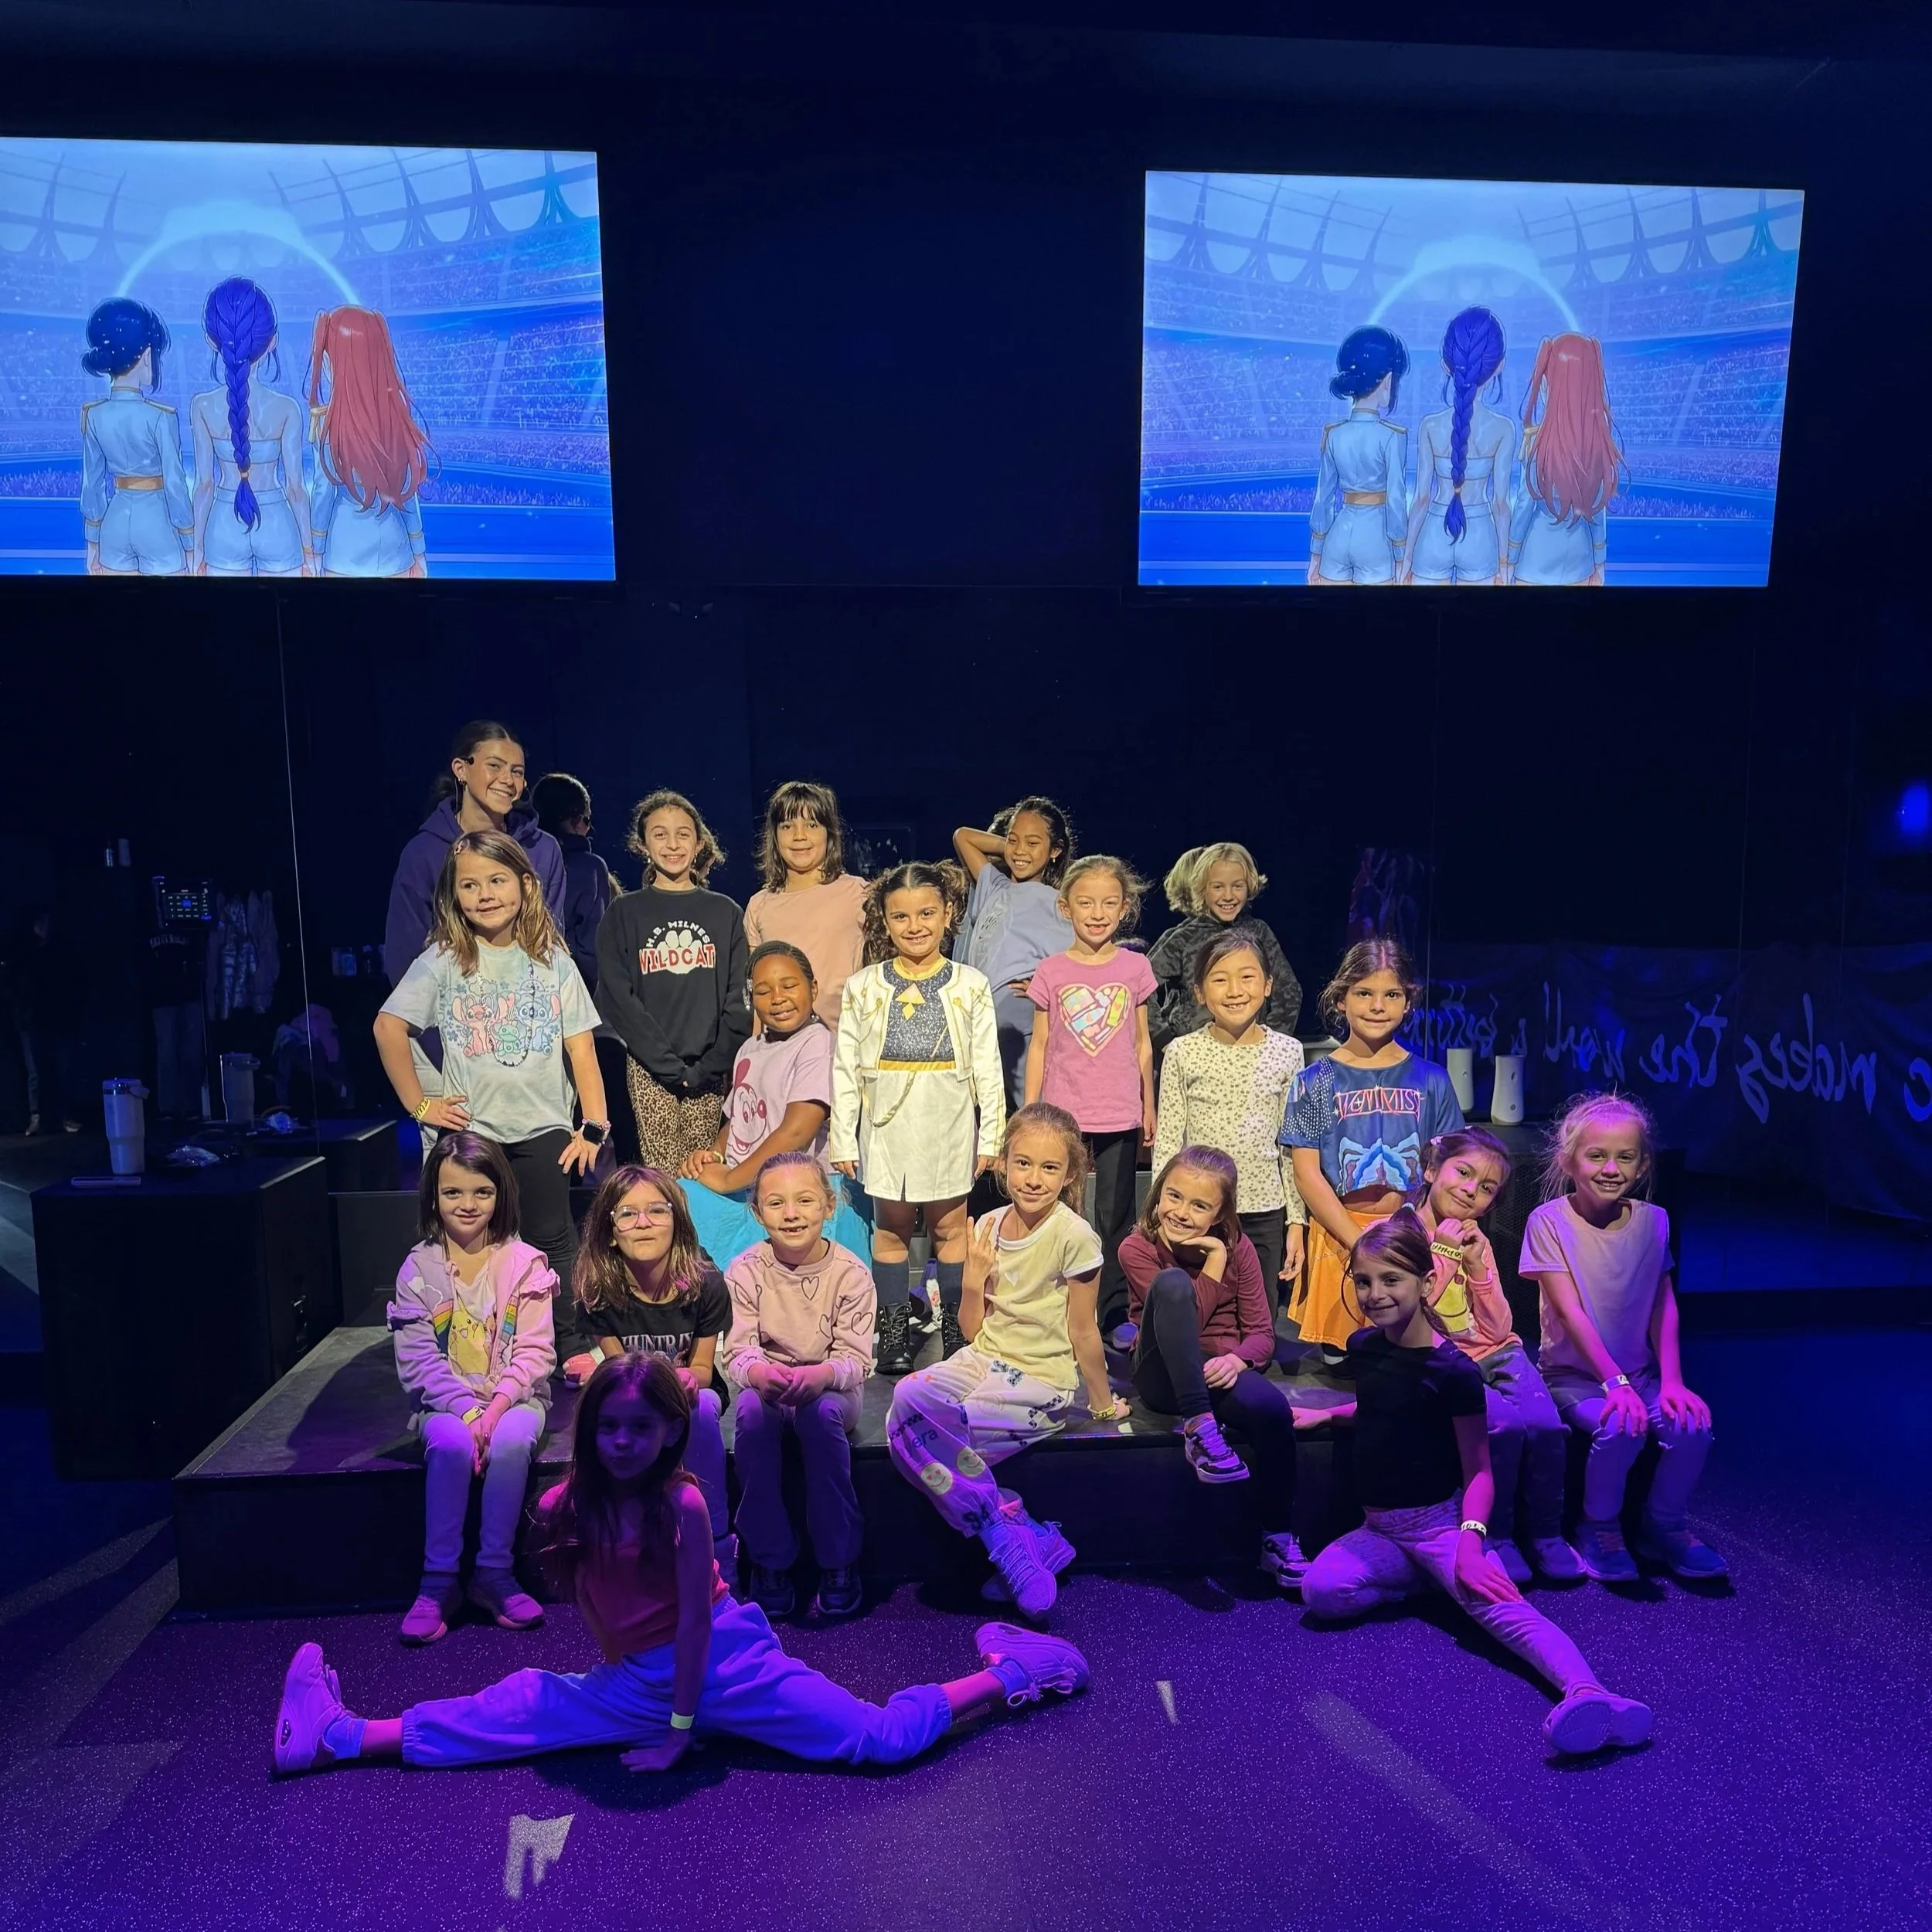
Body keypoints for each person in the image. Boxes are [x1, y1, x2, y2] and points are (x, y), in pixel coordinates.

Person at [272, 1354, 1091, 1777]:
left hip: (725, 1663)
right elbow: (595, 1606)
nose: (622, 1441)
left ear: (669, 1432)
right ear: (590, 1431)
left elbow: (699, 1621)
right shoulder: (566, 1508)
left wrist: (676, 1729)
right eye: (608, 1427)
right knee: (516, 1710)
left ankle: (1010, 1672)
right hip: (642, 1681)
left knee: (873, 1740)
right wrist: (638, 1694)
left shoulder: (684, 1505)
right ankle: (335, 1736)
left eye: (640, 1427)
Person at [1301, 1213, 1654, 1757]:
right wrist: (1329, 1417)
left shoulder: (1454, 1373)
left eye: (1391, 1280)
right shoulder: (1365, 1346)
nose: (1375, 1294)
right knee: (1322, 1592)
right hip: (1380, 1527)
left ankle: (1591, 1692)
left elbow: (1481, 1470)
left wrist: (1468, 1543)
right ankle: (1430, 1585)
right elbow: (1382, 1409)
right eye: (1364, 1280)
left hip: (1438, 1526)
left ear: (1425, 1282)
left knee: (1505, 1611)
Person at [886, 1104, 1121, 1617]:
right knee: (903, 1406)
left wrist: (1102, 1405)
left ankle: (1009, 1537)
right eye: (1023, 1164)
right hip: (985, 1358)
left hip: (1041, 1380)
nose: (1034, 1180)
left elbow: (1084, 1329)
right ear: (1003, 1163)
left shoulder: (1074, 1236)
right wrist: (972, 1282)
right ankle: (1011, 1524)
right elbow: (972, 1330)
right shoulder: (988, 1225)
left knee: (946, 1429)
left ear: (1071, 1175)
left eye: (1050, 1168)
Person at [374, 830, 608, 1301]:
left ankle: (565, 1346)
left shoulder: (553, 962)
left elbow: (581, 1049)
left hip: (544, 1127)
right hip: (473, 1128)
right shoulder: (442, 960)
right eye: (469, 886)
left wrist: (595, 1126)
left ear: (525, 884)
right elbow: (387, 1028)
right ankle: (473, 1343)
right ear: (454, 896)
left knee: (551, 1237)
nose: (485, 896)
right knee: (469, 1243)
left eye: (497, 881)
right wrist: (421, 1106)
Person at [1519, 1093, 1726, 1583]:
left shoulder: (1655, 1221)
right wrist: (1614, 1384)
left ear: (1643, 1163)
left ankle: (1664, 1525)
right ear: (1569, 1160)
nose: (1611, 1168)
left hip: (1641, 1375)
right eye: (1596, 1156)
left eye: (1625, 1157)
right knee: (1622, 1426)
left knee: (1693, 1427)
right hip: (1576, 1378)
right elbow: (1570, 1313)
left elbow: (1663, 1301)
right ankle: (1599, 1526)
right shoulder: (1547, 1222)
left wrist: (1672, 1381)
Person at [832, 861, 1004, 1373]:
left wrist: (990, 1132)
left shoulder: (970, 984)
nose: (916, 926)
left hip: (948, 1120)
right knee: (892, 1231)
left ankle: (955, 1327)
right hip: (887, 1124)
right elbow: (845, 1067)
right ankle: (894, 1332)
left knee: (950, 1229)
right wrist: (844, 1137)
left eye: (927, 913)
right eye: (901, 916)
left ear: (948, 913)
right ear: (885, 921)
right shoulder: (864, 986)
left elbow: (988, 1067)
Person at [1119, 1146, 1314, 1589]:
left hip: (1216, 1371)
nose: (1181, 1213)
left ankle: (1277, 1538)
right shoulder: (1137, 1248)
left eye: (1200, 1205)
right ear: (1158, 1193)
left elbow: (1262, 1334)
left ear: (1221, 1213)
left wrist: (1239, 1358)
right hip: (1162, 1373)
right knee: (1171, 1285)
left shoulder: (1239, 1247)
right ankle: (1199, 1428)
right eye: (1173, 1196)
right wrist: (1215, 1262)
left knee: (1270, 1410)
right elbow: (1187, 1316)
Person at [389, 1133, 555, 1644]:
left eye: (481, 1192)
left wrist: (497, 1407)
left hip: (515, 1399)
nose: (467, 1205)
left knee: (510, 1441)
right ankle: (438, 1582)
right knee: (450, 1442)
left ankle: (493, 1573)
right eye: (452, 1193)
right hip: (446, 1405)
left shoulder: (526, 1262)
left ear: (501, 1193)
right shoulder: (418, 1269)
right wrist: (466, 1413)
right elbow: (417, 1363)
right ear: (433, 1198)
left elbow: (535, 1353)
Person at [1408, 1128, 1583, 1585]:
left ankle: (1546, 1534)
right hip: (1441, 1356)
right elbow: (1412, 1316)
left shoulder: (1478, 1240)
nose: (1471, 1191)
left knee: (1545, 1425)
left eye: (1486, 1188)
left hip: (1496, 1351)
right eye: (1463, 1173)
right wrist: (1444, 1254)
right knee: (1502, 1428)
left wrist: (1480, 1267)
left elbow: (1501, 1328)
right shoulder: (1397, 1234)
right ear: (1431, 1170)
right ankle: (1496, 1535)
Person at [1278, 939, 1463, 1361]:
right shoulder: (1316, 1079)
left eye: (1391, 995)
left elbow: (1453, 1166)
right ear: (1341, 1000)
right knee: (1348, 1368)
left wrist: (1418, 1233)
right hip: (1341, 1241)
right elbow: (1306, 1172)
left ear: (1407, 1002)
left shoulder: (1431, 1079)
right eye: (1364, 993)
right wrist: (1358, 1242)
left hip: (1410, 1235)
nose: (1377, 1005)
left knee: (1408, 1363)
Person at [564, 1164, 736, 1584]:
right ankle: (621, 1544)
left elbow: (701, 1368)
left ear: (677, 1220)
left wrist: (686, 1379)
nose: (643, 1224)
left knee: (702, 1408)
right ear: (609, 1227)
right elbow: (618, 1368)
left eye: (657, 1211)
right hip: (632, 1390)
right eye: (628, 1213)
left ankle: (717, 1545)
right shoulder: (596, 1287)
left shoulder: (706, 1282)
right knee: (613, 1416)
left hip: (688, 1392)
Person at [722, 1151, 875, 1619]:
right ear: (758, 1212)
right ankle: (769, 1558)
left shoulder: (850, 1274)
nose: (791, 1214)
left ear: (829, 1206)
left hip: (829, 1390)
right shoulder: (745, 1270)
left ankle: (838, 1558)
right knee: (749, 1413)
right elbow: (737, 1350)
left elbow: (856, 1359)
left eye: (805, 1200)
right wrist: (761, 1373)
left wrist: (821, 1376)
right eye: (776, 1203)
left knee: (820, 1413)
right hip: (770, 1389)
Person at [1024, 855, 1156, 1345]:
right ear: (1066, 908)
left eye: (1108, 903)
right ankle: (1057, 1304)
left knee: (1116, 1214)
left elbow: (1142, 1042)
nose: (1097, 913)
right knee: (1064, 1210)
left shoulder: (1135, 966)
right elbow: (1040, 1043)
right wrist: (1031, 1108)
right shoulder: (1052, 970)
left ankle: (1113, 1310)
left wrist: (1150, 1103)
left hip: (1119, 1108)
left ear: (1125, 908)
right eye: (1085, 902)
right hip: (1064, 1113)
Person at [678, 941, 870, 1267]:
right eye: (763, 991)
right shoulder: (750, 1048)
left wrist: (728, 1180)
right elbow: (738, 1118)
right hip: (748, 1182)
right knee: (679, 1194)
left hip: (797, 1185)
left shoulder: (818, 1043)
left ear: (813, 988)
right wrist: (714, 1156)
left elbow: (797, 1132)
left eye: (789, 986)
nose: (777, 998)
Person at [1152, 927, 1308, 1310]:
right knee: (1199, 1313)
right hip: (1198, 1208)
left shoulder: (1288, 1052)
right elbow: (1169, 1140)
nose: (1235, 990)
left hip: (1264, 1208)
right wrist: (1160, 1209)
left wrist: (1296, 1221)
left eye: (1247, 977)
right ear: (1200, 992)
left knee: (1260, 1318)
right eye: (1220, 980)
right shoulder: (1183, 1052)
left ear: (1268, 985)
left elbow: (1292, 1145)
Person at [596, 789, 750, 1172]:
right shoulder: (624, 912)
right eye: (660, 834)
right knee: (664, 1176)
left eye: (683, 834)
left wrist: (711, 1064)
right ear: (643, 843)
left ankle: (699, 1236)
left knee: (702, 1172)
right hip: (651, 1068)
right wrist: (666, 1066)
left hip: (711, 1068)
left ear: (699, 843)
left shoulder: (724, 912)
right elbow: (618, 998)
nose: (673, 844)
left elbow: (739, 996)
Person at [383, 720, 568, 990]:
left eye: (516, 771)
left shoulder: (542, 849)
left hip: (527, 1016)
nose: (507, 779)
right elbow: (404, 959)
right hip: (449, 1019)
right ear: (461, 769)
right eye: (495, 766)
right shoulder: (424, 853)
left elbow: (549, 940)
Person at [953, 797, 1076, 1106]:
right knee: (983, 1113)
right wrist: (1013, 846)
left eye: (1033, 843)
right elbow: (963, 836)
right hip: (979, 1016)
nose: (1020, 851)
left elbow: (1075, 959)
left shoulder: (1059, 901)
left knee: (1030, 1109)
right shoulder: (994, 886)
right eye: (1013, 840)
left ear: (1056, 850)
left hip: (1018, 1014)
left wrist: (1045, 985)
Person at [189, 277, 314, 577]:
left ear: (211, 340)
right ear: (273, 341)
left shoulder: (202, 406)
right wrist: (309, 553)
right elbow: (296, 489)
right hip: (278, 524)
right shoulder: (287, 409)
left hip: (222, 522)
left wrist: (197, 550)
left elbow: (204, 485)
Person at [305, 304, 434, 577]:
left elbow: (322, 496)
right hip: (395, 551)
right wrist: (419, 551)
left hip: (344, 555)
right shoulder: (395, 421)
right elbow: (408, 496)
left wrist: (314, 551)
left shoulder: (329, 427)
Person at [1147, 843, 1301, 1052]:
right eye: (1218, 887)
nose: (1228, 896)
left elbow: (1288, 990)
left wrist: (1271, 1045)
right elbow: (1140, 985)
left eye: (1237, 886)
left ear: (1249, 886)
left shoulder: (1259, 932)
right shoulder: (1184, 938)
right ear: (1202, 888)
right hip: (1196, 1057)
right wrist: (1163, 1039)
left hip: (1251, 1054)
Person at [77, 297, 192, 576]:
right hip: (158, 525)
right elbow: (175, 486)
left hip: (114, 525)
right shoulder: (161, 417)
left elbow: (92, 487)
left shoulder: (94, 415)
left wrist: (92, 543)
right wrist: (190, 542)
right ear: (147, 355)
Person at [743, 781, 869, 1028]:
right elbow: (758, 990)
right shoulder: (760, 905)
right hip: (780, 1049)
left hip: (844, 1046)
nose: (799, 836)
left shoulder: (858, 893)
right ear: (774, 836)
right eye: (788, 826)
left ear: (829, 833)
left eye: (811, 825)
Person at [1403, 306, 1511, 586]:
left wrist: (1405, 561)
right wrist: (1503, 564)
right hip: (1481, 538)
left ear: (1445, 365)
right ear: (1500, 365)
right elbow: (1501, 505)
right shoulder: (1503, 429)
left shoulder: (1429, 425)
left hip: (1433, 532)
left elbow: (1421, 500)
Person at [1510, 333, 1622, 587]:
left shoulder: (1537, 444)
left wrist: (1510, 558)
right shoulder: (1596, 443)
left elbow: (1523, 509)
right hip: (1579, 563)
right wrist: (1599, 562)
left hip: (1534, 564)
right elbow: (1597, 512)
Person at [1307, 324, 1410, 586]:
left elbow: (1323, 500)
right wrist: (1401, 557)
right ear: (1387, 380)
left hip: (1337, 538)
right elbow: (1396, 502)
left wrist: (1315, 555)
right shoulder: (1392, 437)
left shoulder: (1333, 434)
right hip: (1376, 542)